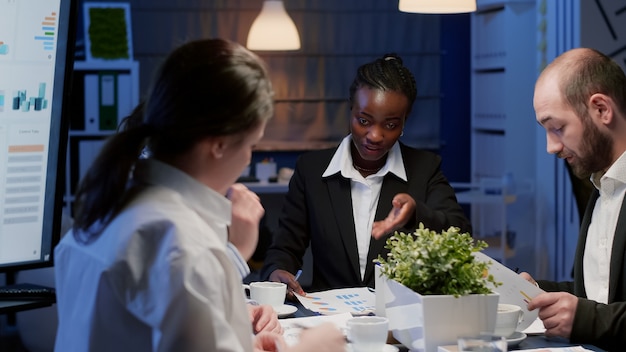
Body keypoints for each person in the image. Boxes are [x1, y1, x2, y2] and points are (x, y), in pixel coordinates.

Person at [53, 38, 345, 352]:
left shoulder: (106, 207)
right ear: (218, 144)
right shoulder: (183, 243)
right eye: (251, 145)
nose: (248, 158)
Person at [260, 54, 472, 294]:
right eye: (364, 120)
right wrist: (277, 270)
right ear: (350, 110)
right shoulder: (312, 170)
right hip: (329, 320)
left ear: (405, 121)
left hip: (399, 320)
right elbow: (285, 248)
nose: (375, 135)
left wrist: (416, 214)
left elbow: (461, 235)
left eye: (390, 125)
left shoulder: (425, 168)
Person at [522, 47, 626, 351]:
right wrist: (541, 292)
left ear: (602, 110)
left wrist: (585, 319)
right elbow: (603, 295)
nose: (551, 147)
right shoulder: (601, 186)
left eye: (557, 128)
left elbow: (597, 314)